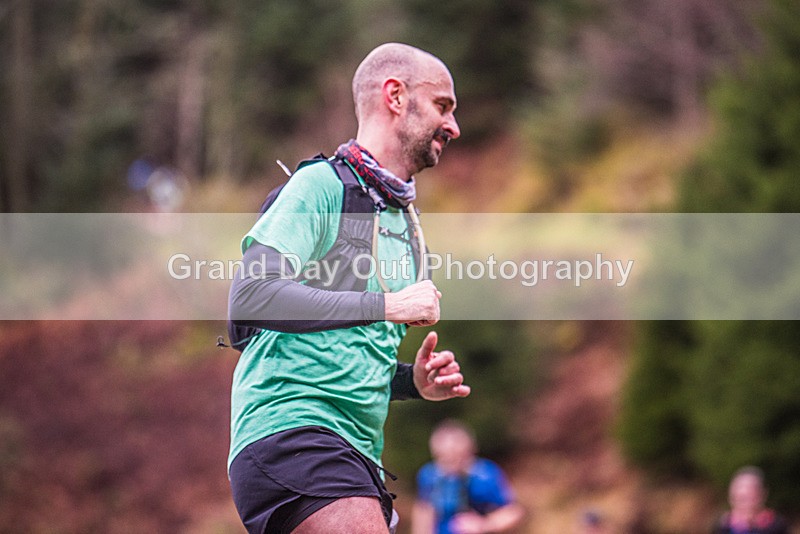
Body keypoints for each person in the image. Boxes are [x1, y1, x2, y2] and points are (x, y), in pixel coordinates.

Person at [227, 43, 469, 534]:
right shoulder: (321, 186)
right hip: (293, 431)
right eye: (442, 105)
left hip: (359, 454)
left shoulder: (407, 224)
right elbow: (250, 296)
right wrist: (389, 303)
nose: (454, 126)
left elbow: (345, 353)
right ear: (395, 96)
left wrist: (412, 382)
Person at [413, 420, 524, 534]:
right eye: (442, 457)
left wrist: (485, 525)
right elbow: (424, 511)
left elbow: (513, 512)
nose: (449, 463)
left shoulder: (486, 475)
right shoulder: (429, 475)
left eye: (456, 456)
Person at [711, 466, 789, 534]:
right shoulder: (722, 526)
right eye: (738, 488)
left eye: (750, 489)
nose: (743, 493)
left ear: (763, 493)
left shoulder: (776, 525)